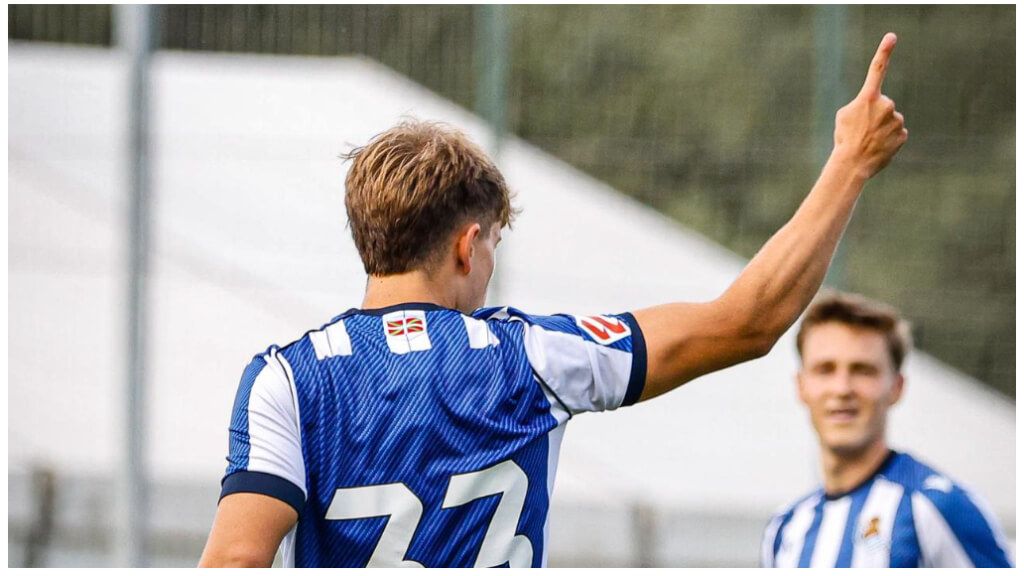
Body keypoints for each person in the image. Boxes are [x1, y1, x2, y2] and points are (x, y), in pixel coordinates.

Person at [199, 33, 908, 568]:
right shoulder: (531, 357)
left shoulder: (288, 379)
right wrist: (850, 163)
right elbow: (747, 322)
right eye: (494, 249)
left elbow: (236, 560)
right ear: (466, 246)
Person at [760, 292, 1014, 568]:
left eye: (863, 370)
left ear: (896, 387)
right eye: (825, 369)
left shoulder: (937, 506)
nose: (842, 389)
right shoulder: (786, 528)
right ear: (801, 386)